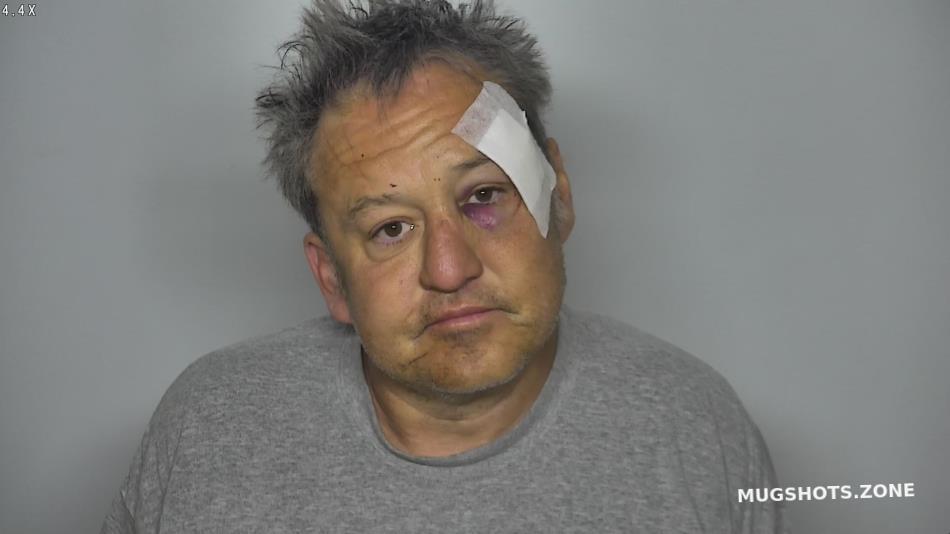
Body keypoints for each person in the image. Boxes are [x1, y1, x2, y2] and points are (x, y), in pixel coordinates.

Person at [101, 0, 787, 532]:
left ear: (558, 197)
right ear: (332, 278)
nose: (450, 270)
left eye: (483, 196)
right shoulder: (209, 432)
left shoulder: (696, 427)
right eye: (390, 229)